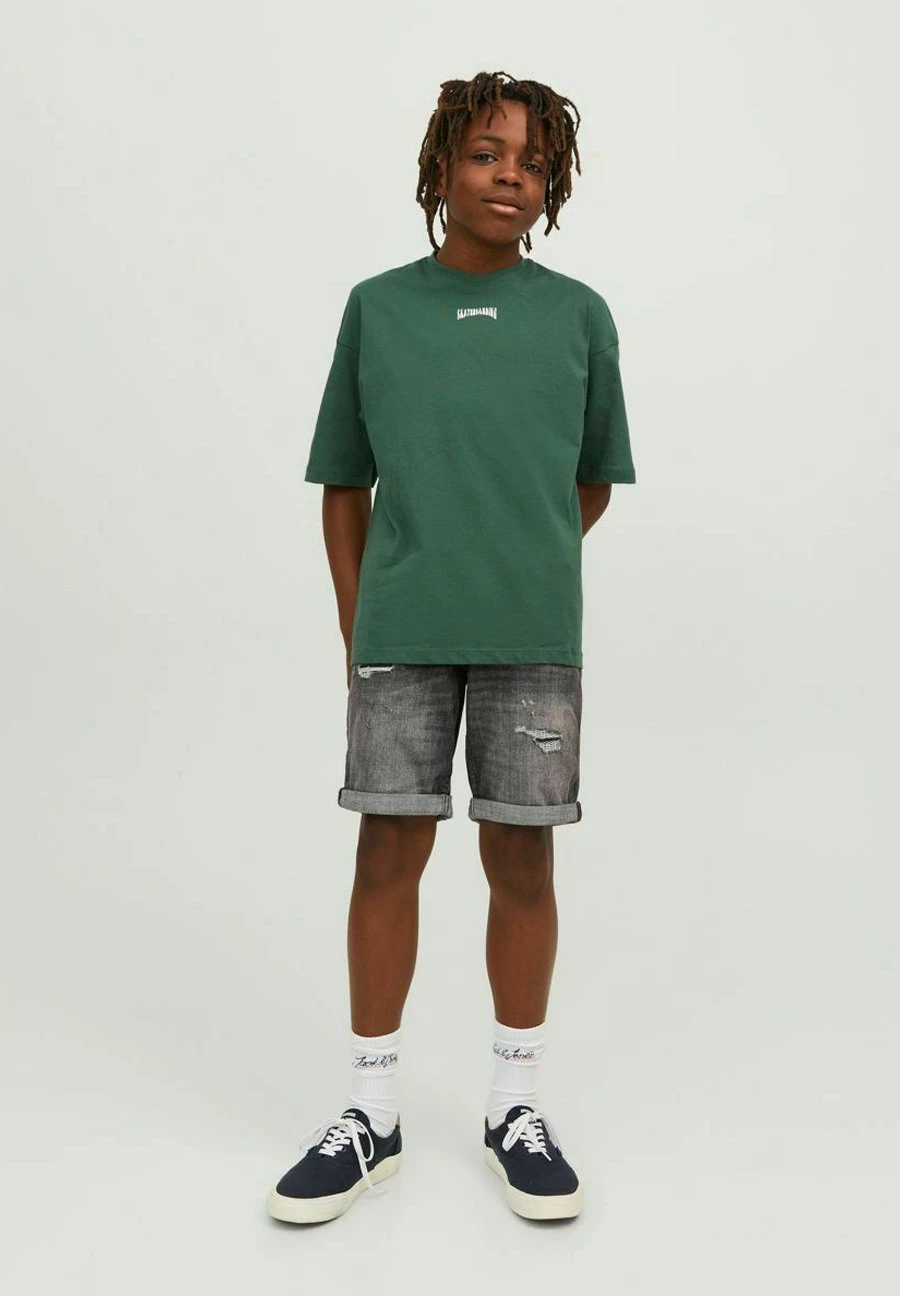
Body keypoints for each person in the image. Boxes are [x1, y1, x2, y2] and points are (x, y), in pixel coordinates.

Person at [267, 70, 635, 1226]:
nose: (510, 176)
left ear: (553, 185)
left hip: (534, 637)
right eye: (486, 153)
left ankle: (514, 1106)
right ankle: (370, 1110)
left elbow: (589, 484)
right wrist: (361, 624)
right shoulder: (377, 308)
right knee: (387, 853)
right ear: (441, 167)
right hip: (402, 639)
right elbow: (343, 484)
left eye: (533, 162)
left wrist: (511, 554)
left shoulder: (580, 317)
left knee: (523, 863)